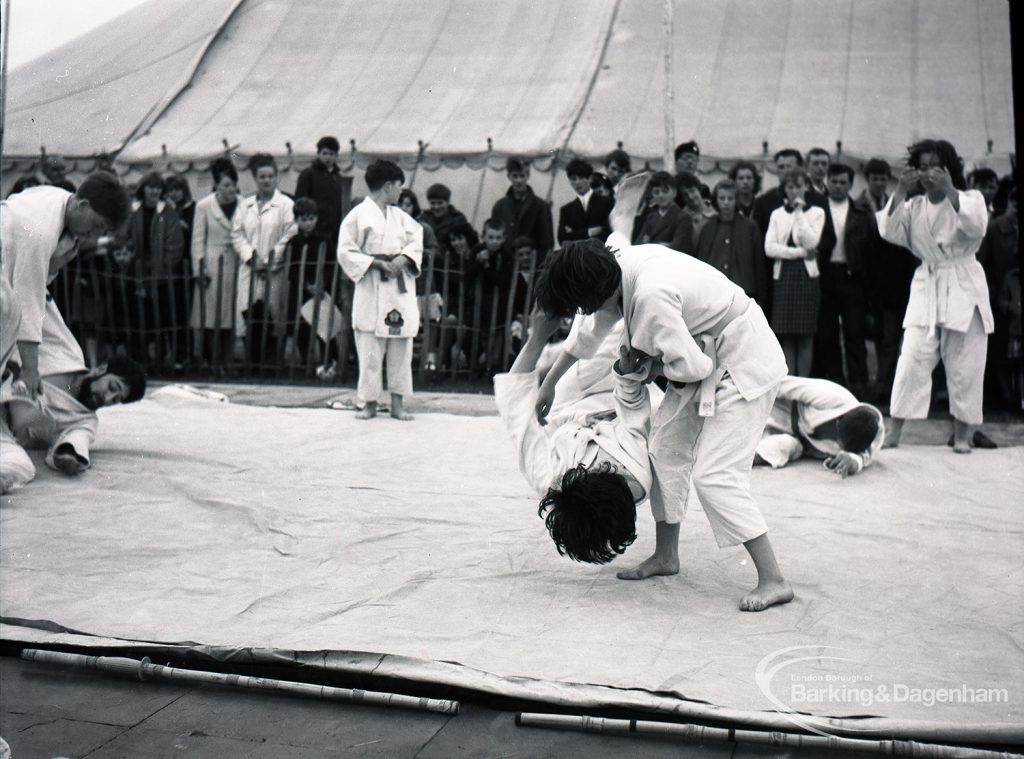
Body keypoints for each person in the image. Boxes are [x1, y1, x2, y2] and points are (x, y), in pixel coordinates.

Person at [534, 174, 792, 612]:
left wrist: (649, 364)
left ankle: (773, 579)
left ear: (594, 292)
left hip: (741, 360)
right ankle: (667, 555)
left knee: (714, 474)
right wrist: (550, 382)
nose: (586, 313)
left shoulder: (650, 297)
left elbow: (696, 367)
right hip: (707, 350)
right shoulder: (613, 263)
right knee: (664, 449)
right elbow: (589, 332)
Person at [495, 309, 655, 562]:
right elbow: (634, 412)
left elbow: (514, 405)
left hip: (568, 404)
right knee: (636, 326)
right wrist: (627, 374)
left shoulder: (548, 478)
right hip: (624, 400)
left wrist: (539, 335)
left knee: (606, 319)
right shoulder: (635, 475)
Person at [877, 139, 993, 453]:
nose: (929, 173)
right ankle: (894, 430)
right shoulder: (913, 207)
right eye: (923, 166)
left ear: (949, 168)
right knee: (912, 358)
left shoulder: (971, 198)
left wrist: (952, 192)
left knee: (965, 363)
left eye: (935, 166)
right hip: (927, 284)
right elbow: (888, 230)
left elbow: (977, 227)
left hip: (963, 282)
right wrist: (900, 190)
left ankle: (962, 435)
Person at [1, 172, 130, 399]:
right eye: (98, 225)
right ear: (82, 204)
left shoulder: (62, 200)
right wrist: (30, 370)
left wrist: (54, 266)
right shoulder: (40, 229)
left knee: (68, 350)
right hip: (9, 289)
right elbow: (27, 300)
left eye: (104, 231)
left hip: (13, 281)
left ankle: (61, 392)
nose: (96, 234)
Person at [337, 160, 423, 420]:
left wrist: (405, 258)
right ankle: (370, 403)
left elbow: (416, 239)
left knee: (400, 348)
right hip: (372, 284)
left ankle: (398, 404)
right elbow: (345, 251)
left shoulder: (401, 217)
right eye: (398, 187)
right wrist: (374, 262)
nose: (400, 192)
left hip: (398, 285)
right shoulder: (357, 216)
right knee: (370, 349)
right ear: (387, 186)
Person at [1, 348, 146, 491]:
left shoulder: (86, 420)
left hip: (3, 431)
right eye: (112, 387)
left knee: (21, 467)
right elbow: (29, 327)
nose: (107, 398)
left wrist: (68, 456)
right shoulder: (65, 351)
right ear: (101, 369)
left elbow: (76, 441)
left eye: (116, 400)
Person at [812, 163, 878, 395]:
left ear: (851, 185)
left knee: (854, 331)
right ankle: (834, 380)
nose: (838, 187)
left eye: (843, 183)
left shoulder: (861, 211)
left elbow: (870, 248)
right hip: (824, 275)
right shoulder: (816, 207)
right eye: (834, 182)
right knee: (827, 332)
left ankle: (859, 383)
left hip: (852, 277)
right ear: (826, 181)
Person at [858, 158, 917, 401]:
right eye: (875, 179)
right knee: (880, 338)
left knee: (893, 340)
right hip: (873, 283)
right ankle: (878, 385)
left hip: (897, 283)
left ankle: (887, 386)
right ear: (868, 179)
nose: (880, 183)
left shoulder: (896, 205)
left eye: (883, 179)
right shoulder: (861, 206)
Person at [232, 153, 296, 364]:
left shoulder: (286, 205)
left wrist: (270, 260)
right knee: (247, 310)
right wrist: (251, 257)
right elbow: (237, 233)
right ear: (255, 178)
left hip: (274, 270)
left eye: (270, 176)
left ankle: (272, 362)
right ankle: (252, 361)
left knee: (274, 314)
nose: (266, 180)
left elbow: (290, 233)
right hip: (249, 269)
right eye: (262, 176)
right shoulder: (245, 205)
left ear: (276, 177)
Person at [754, 376, 884, 478]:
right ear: (838, 422)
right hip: (776, 408)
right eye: (836, 439)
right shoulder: (833, 395)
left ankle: (745, 456)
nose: (835, 444)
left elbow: (864, 455)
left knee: (782, 446)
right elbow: (781, 385)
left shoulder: (865, 436)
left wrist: (854, 462)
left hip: (795, 440)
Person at [764, 168, 826, 377]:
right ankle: (789, 384)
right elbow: (770, 248)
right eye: (791, 187)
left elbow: (812, 241)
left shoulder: (817, 212)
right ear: (784, 190)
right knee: (787, 336)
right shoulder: (777, 214)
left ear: (807, 187)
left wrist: (799, 213)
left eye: (799, 186)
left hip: (807, 277)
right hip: (784, 277)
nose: (795, 191)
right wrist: (799, 252)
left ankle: (804, 384)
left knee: (806, 335)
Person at [190, 158, 243, 366]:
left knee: (231, 314)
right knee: (210, 315)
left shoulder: (244, 204)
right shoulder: (204, 206)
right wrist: (199, 269)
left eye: (233, 184)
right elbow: (197, 240)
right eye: (226, 185)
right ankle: (211, 360)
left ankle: (228, 359)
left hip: (236, 261)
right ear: (217, 186)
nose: (230, 189)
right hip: (212, 263)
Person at [128, 172, 185, 365]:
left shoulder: (168, 212)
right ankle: (142, 359)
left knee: (166, 318)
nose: (154, 191)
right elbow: (126, 238)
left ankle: (167, 359)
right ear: (143, 189)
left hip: (163, 276)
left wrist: (161, 268)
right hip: (137, 274)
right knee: (140, 319)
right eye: (150, 187)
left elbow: (175, 244)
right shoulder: (134, 212)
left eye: (158, 187)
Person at [282, 197, 339, 369]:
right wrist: (306, 285)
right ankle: (307, 362)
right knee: (303, 328)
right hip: (301, 291)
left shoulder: (324, 241)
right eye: (303, 220)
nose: (308, 223)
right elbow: (291, 269)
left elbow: (331, 264)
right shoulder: (293, 243)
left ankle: (330, 362)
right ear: (296, 220)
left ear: (317, 218)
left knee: (326, 328)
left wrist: (321, 284)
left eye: (311, 219)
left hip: (322, 291)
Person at [695, 179, 768, 307]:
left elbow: (759, 263)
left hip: (743, 291)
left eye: (730, 198)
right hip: (714, 292)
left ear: (736, 200)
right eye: (722, 198)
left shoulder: (750, 227)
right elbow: (701, 261)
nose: (726, 203)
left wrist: (761, 297)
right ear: (716, 200)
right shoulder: (708, 228)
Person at [491, 157, 553, 264]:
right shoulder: (499, 206)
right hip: (507, 265)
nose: (519, 180)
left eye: (522, 176)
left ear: (528, 176)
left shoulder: (541, 206)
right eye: (515, 176)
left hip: (532, 265)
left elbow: (547, 243)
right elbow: (494, 238)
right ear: (509, 177)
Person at [294, 136, 344, 247]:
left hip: (333, 231)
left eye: (331, 154)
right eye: (324, 153)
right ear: (318, 154)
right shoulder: (308, 174)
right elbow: (300, 202)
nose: (327, 157)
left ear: (336, 156)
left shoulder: (337, 177)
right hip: (313, 229)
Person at [557, 159, 613, 244]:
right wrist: (589, 232)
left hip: (600, 254)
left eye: (581, 177)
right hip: (577, 256)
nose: (577, 182)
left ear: (590, 179)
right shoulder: (566, 210)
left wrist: (574, 234)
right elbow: (562, 239)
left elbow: (609, 233)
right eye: (573, 179)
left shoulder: (607, 203)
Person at [636, 171, 693, 252]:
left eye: (665, 191)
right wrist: (662, 244)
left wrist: (649, 243)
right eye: (656, 192)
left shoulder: (683, 218)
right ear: (652, 194)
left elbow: (677, 248)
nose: (661, 195)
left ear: (674, 192)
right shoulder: (651, 217)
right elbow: (638, 244)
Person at [424, 183, 468, 253]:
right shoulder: (424, 217)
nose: (436, 207)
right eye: (433, 203)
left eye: (440, 203)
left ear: (448, 202)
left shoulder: (458, 218)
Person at [675, 171, 714, 243]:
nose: (690, 196)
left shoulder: (716, 209)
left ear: (698, 189)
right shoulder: (682, 218)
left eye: (692, 191)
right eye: (685, 195)